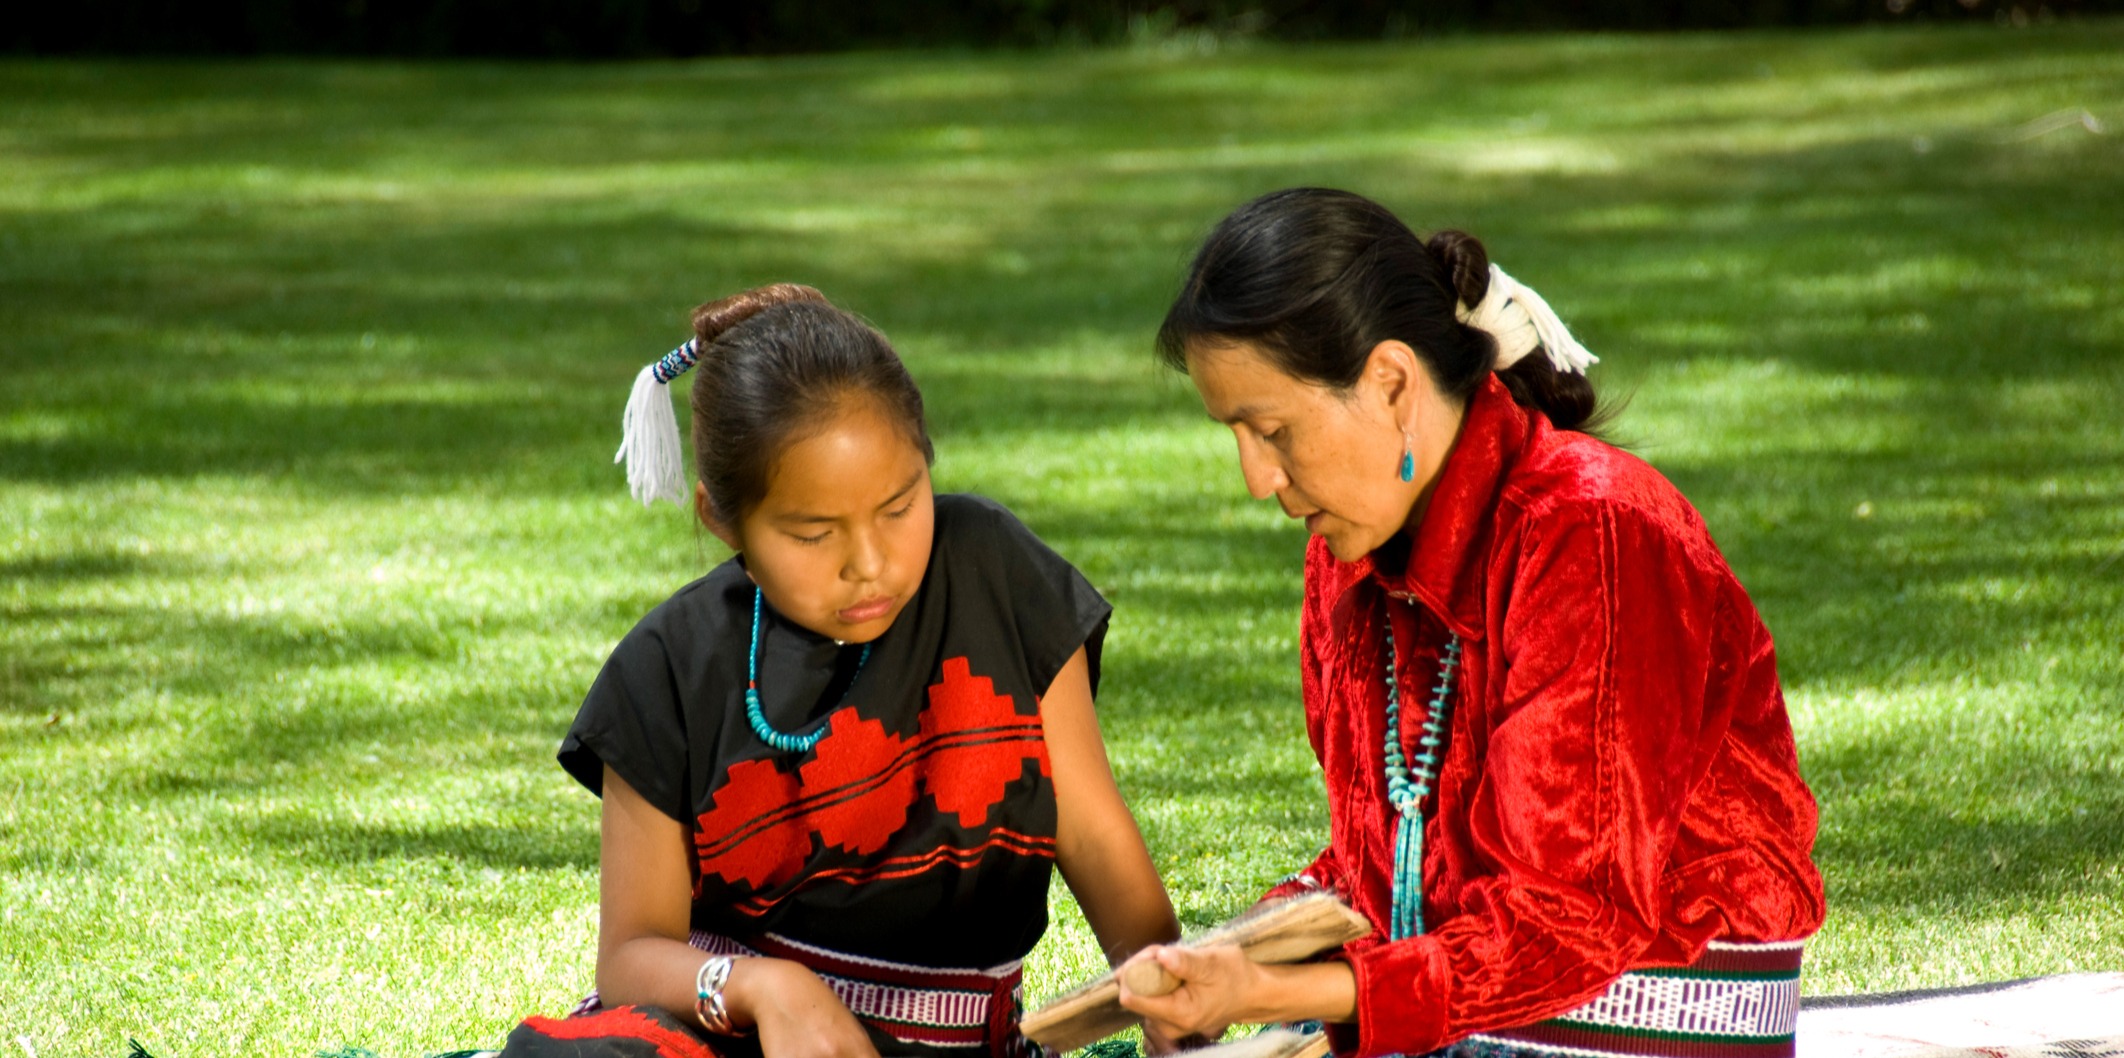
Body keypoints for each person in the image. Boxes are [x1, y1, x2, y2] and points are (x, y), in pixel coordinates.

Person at [1115, 189, 1826, 1058]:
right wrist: (1239, 949)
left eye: (1271, 431)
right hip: (1454, 1026)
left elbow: (1569, 917)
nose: (1256, 478)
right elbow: (1389, 869)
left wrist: (1272, 989)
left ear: (1391, 383)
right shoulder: (1348, 556)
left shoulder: (1593, 530)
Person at [501, 284, 1181, 1058]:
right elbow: (630, 958)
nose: (869, 563)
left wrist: (1170, 1004)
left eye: (898, 507)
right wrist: (764, 988)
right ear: (722, 520)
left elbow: (1090, 830)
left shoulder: (993, 574)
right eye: (813, 533)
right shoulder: (665, 670)